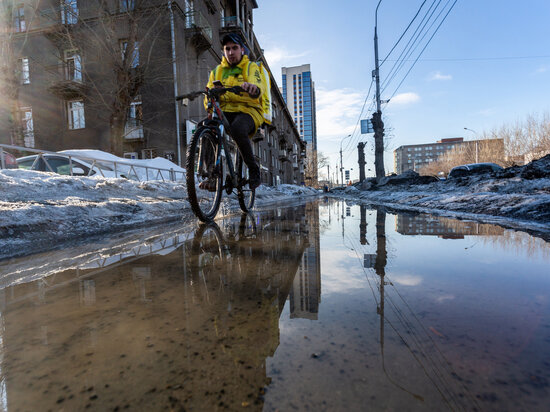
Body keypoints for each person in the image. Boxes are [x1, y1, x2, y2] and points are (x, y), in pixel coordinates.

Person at [202, 32, 263, 191]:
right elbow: (208, 94)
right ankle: (211, 175)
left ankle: (253, 168)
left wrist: (253, 88)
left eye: (234, 48)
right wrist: (210, 103)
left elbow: (258, 85)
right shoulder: (216, 71)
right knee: (206, 126)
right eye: (227, 49)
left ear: (242, 49)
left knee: (237, 129)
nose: (230, 52)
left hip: (249, 111)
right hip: (226, 111)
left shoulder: (251, 67)